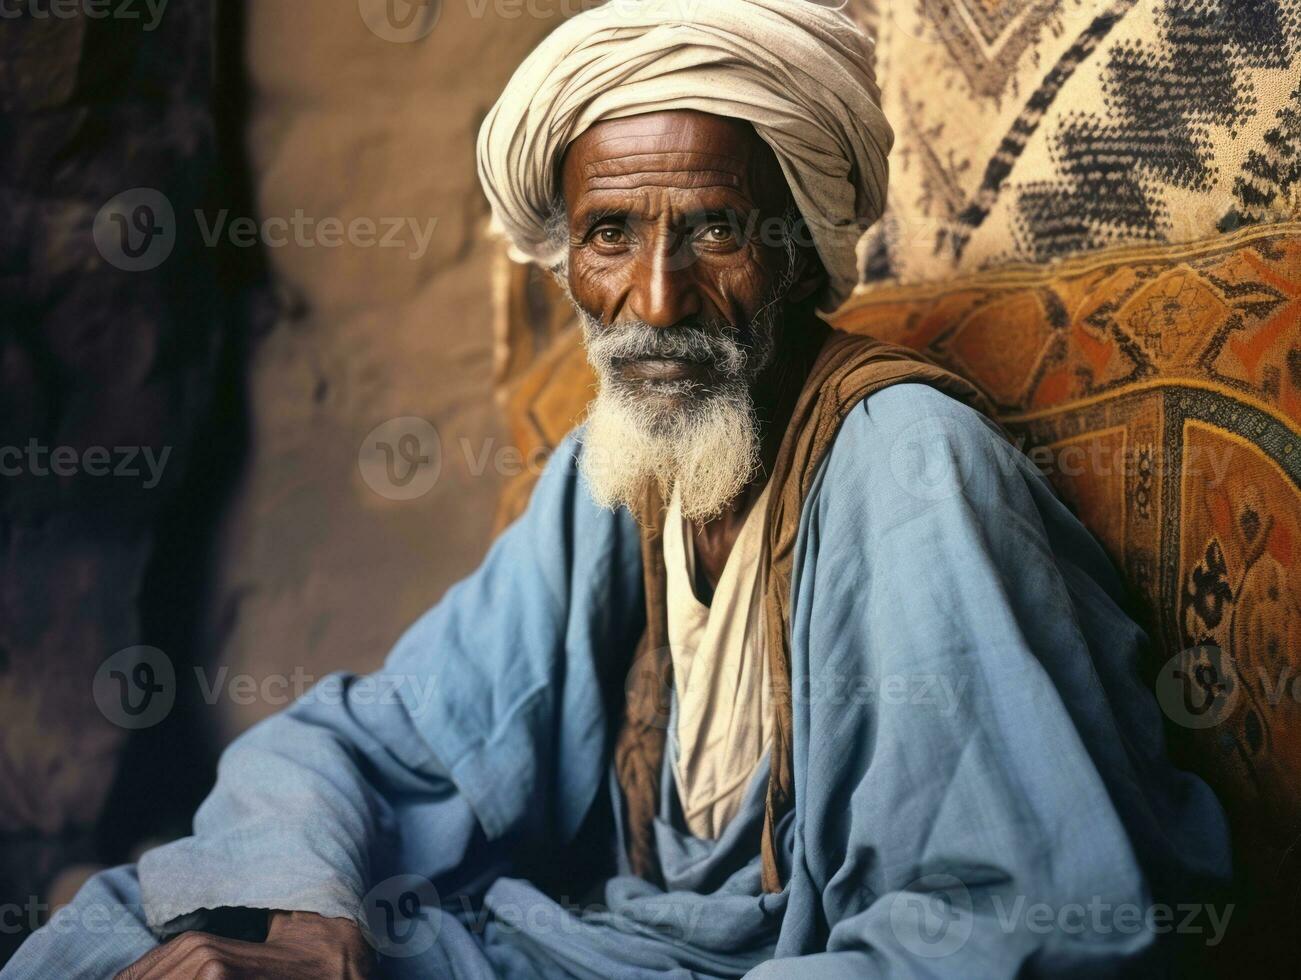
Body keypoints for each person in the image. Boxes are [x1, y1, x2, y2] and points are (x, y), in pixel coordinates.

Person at [4, 2, 1230, 977]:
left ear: (800, 248)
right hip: (595, 941)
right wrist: (309, 915)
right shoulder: (622, 470)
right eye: (608, 235)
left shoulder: (908, 468)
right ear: (567, 257)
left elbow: (1014, 920)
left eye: (712, 229)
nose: (653, 301)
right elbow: (376, 737)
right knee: (125, 928)